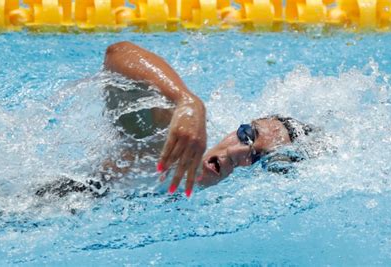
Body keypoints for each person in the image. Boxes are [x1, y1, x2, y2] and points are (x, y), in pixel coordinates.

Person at [37, 41, 315, 199]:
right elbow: (118, 54)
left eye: (257, 158)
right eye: (246, 135)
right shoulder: (171, 144)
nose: (238, 151)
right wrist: (186, 100)